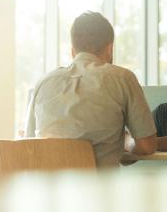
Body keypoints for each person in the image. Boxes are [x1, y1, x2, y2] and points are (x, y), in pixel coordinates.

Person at [24, 11, 156, 168]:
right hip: (99, 190)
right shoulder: (123, 78)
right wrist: (127, 141)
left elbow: (28, 145)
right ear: (110, 49)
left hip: (47, 190)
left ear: (73, 50)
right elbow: (147, 146)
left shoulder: (43, 83)